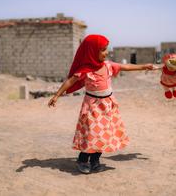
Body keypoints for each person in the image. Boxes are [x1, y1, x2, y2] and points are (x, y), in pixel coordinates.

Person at [48, 34, 155, 174]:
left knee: (104, 135)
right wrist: (57, 95)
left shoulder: (108, 65)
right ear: (92, 51)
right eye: (103, 50)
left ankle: (95, 161)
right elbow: (70, 81)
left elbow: (125, 67)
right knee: (92, 134)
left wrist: (143, 66)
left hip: (107, 106)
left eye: (107, 49)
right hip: (93, 107)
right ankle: (82, 159)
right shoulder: (85, 70)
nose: (106, 52)